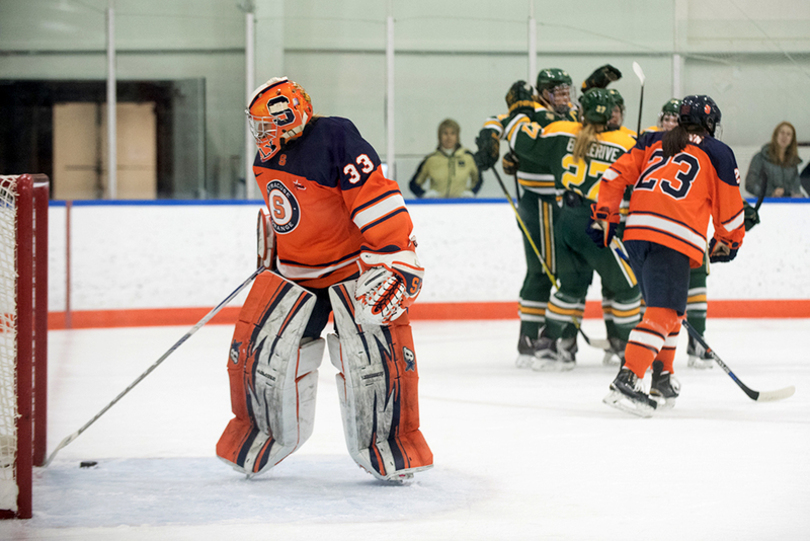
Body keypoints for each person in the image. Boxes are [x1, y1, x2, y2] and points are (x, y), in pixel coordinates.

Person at [216, 77, 433, 481]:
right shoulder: (266, 159)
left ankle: (391, 447)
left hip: (351, 275)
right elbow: (294, 216)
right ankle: (261, 435)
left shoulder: (335, 137)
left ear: (290, 117)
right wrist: (274, 254)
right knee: (263, 359)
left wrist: (396, 256)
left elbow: (374, 195)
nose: (259, 134)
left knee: (374, 367)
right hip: (295, 277)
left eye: (266, 124)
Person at [590, 95, 746, 416]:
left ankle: (662, 376)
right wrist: (728, 241)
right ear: (709, 124)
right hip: (673, 236)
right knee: (663, 312)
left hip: (636, 234)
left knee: (667, 311)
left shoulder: (651, 140)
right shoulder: (718, 151)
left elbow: (612, 177)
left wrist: (605, 216)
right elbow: (729, 210)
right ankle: (629, 378)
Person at [505, 88, 642, 371]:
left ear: (582, 112)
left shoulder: (561, 131)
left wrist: (520, 111)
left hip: (565, 220)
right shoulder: (626, 141)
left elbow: (520, 139)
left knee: (571, 287)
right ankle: (631, 353)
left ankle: (545, 346)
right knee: (628, 286)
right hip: (597, 224)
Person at [473, 70, 579, 368]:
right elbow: (498, 121)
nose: (564, 98)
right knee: (544, 269)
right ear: (542, 94)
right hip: (540, 201)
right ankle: (532, 337)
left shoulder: (573, 114)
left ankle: (561, 338)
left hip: (570, 201)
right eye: (557, 93)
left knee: (572, 270)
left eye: (566, 92)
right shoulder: (528, 111)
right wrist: (489, 139)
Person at [409, 118, 482, 198]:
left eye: (453, 133)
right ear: (439, 136)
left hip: (461, 207)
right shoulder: (430, 160)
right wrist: (424, 194)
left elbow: (478, 179)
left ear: (457, 136)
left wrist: (471, 192)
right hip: (437, 207)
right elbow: (414, 184)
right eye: (445, 133)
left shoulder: (468, 158)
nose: (449, 137)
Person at [745, 121, 803, 198]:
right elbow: (750, 184)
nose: (784, 137)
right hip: (765, 204)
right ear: (775, 135)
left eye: (788, 134)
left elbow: (796, 188)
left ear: (792, 139)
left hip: (788, 206)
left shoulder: (793, 162)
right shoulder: (760, 158)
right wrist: (770, 193)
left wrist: (788, 193)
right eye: (782, 133)